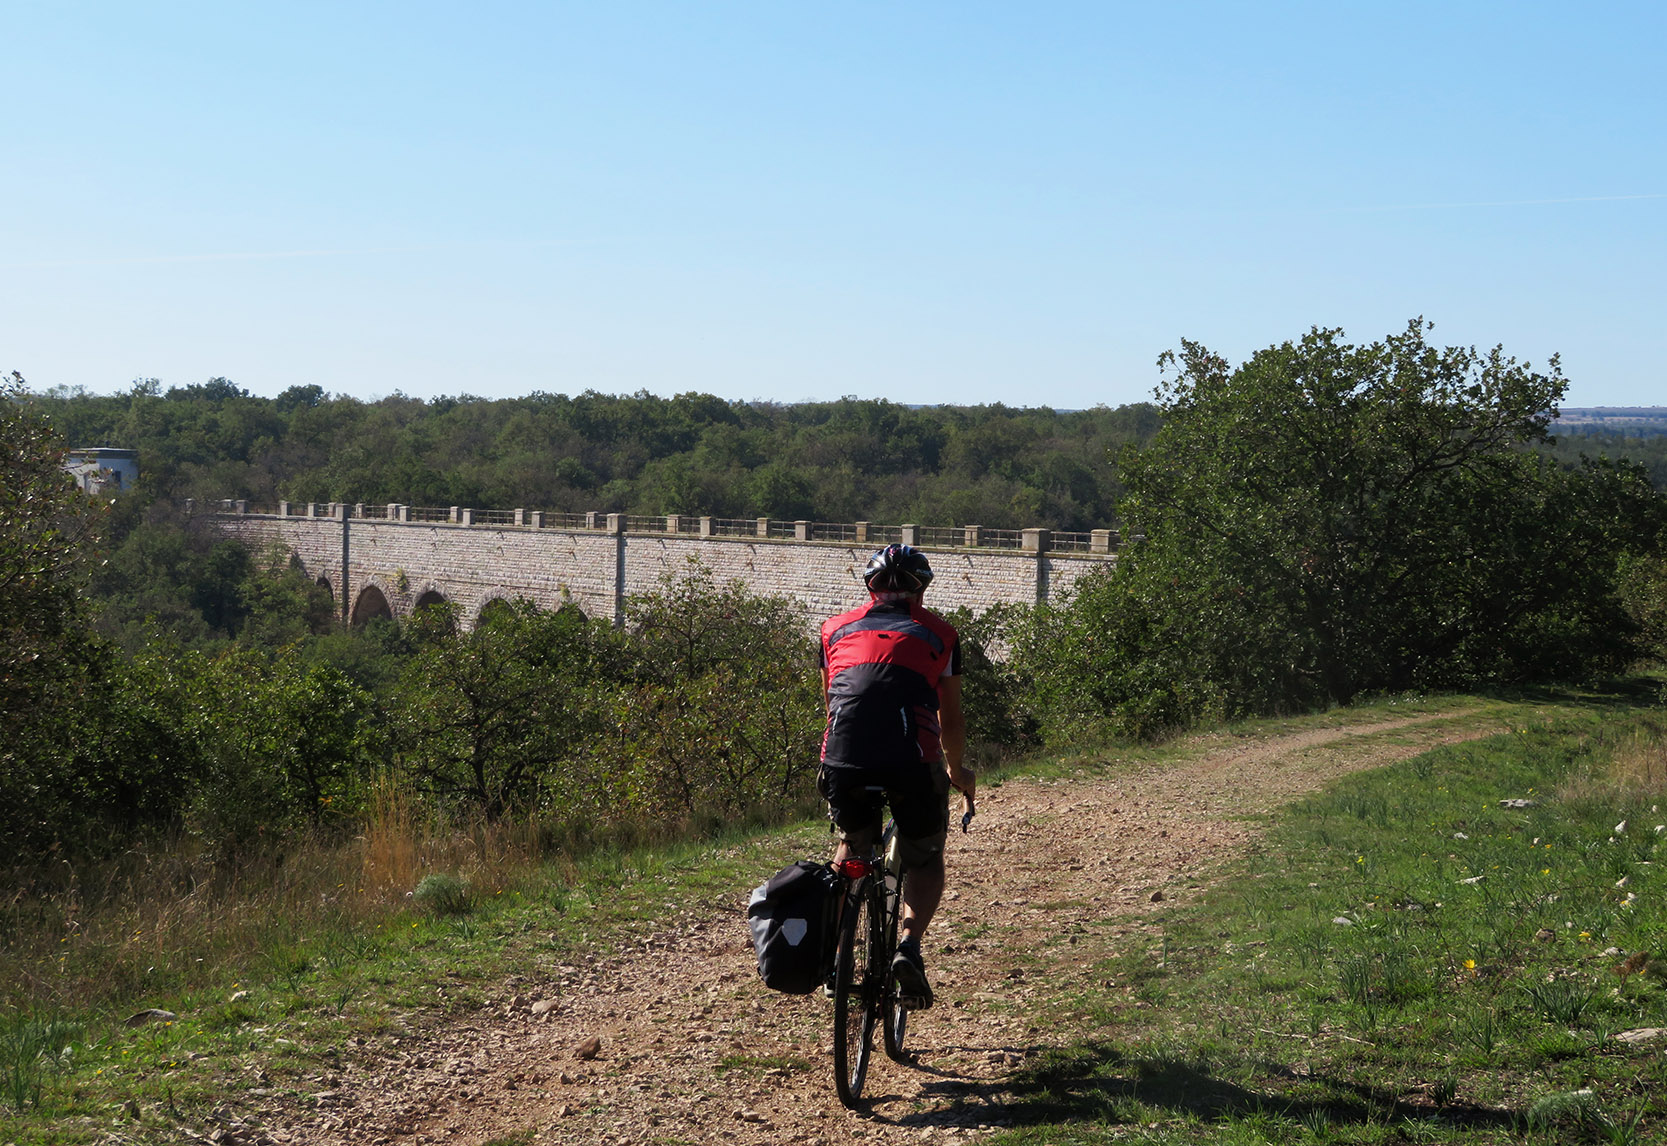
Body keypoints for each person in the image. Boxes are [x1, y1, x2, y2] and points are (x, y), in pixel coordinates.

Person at [817, 543, 975, 1008]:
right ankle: (908, 944)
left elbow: (833, 705)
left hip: (844, 758)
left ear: (870, 587)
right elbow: (951, 719)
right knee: (923, 857)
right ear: (920, 589)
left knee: (853, 843)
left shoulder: (833, 630)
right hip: (913, 761)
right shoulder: (941, 635)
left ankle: (837, 957)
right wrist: (958, 769)